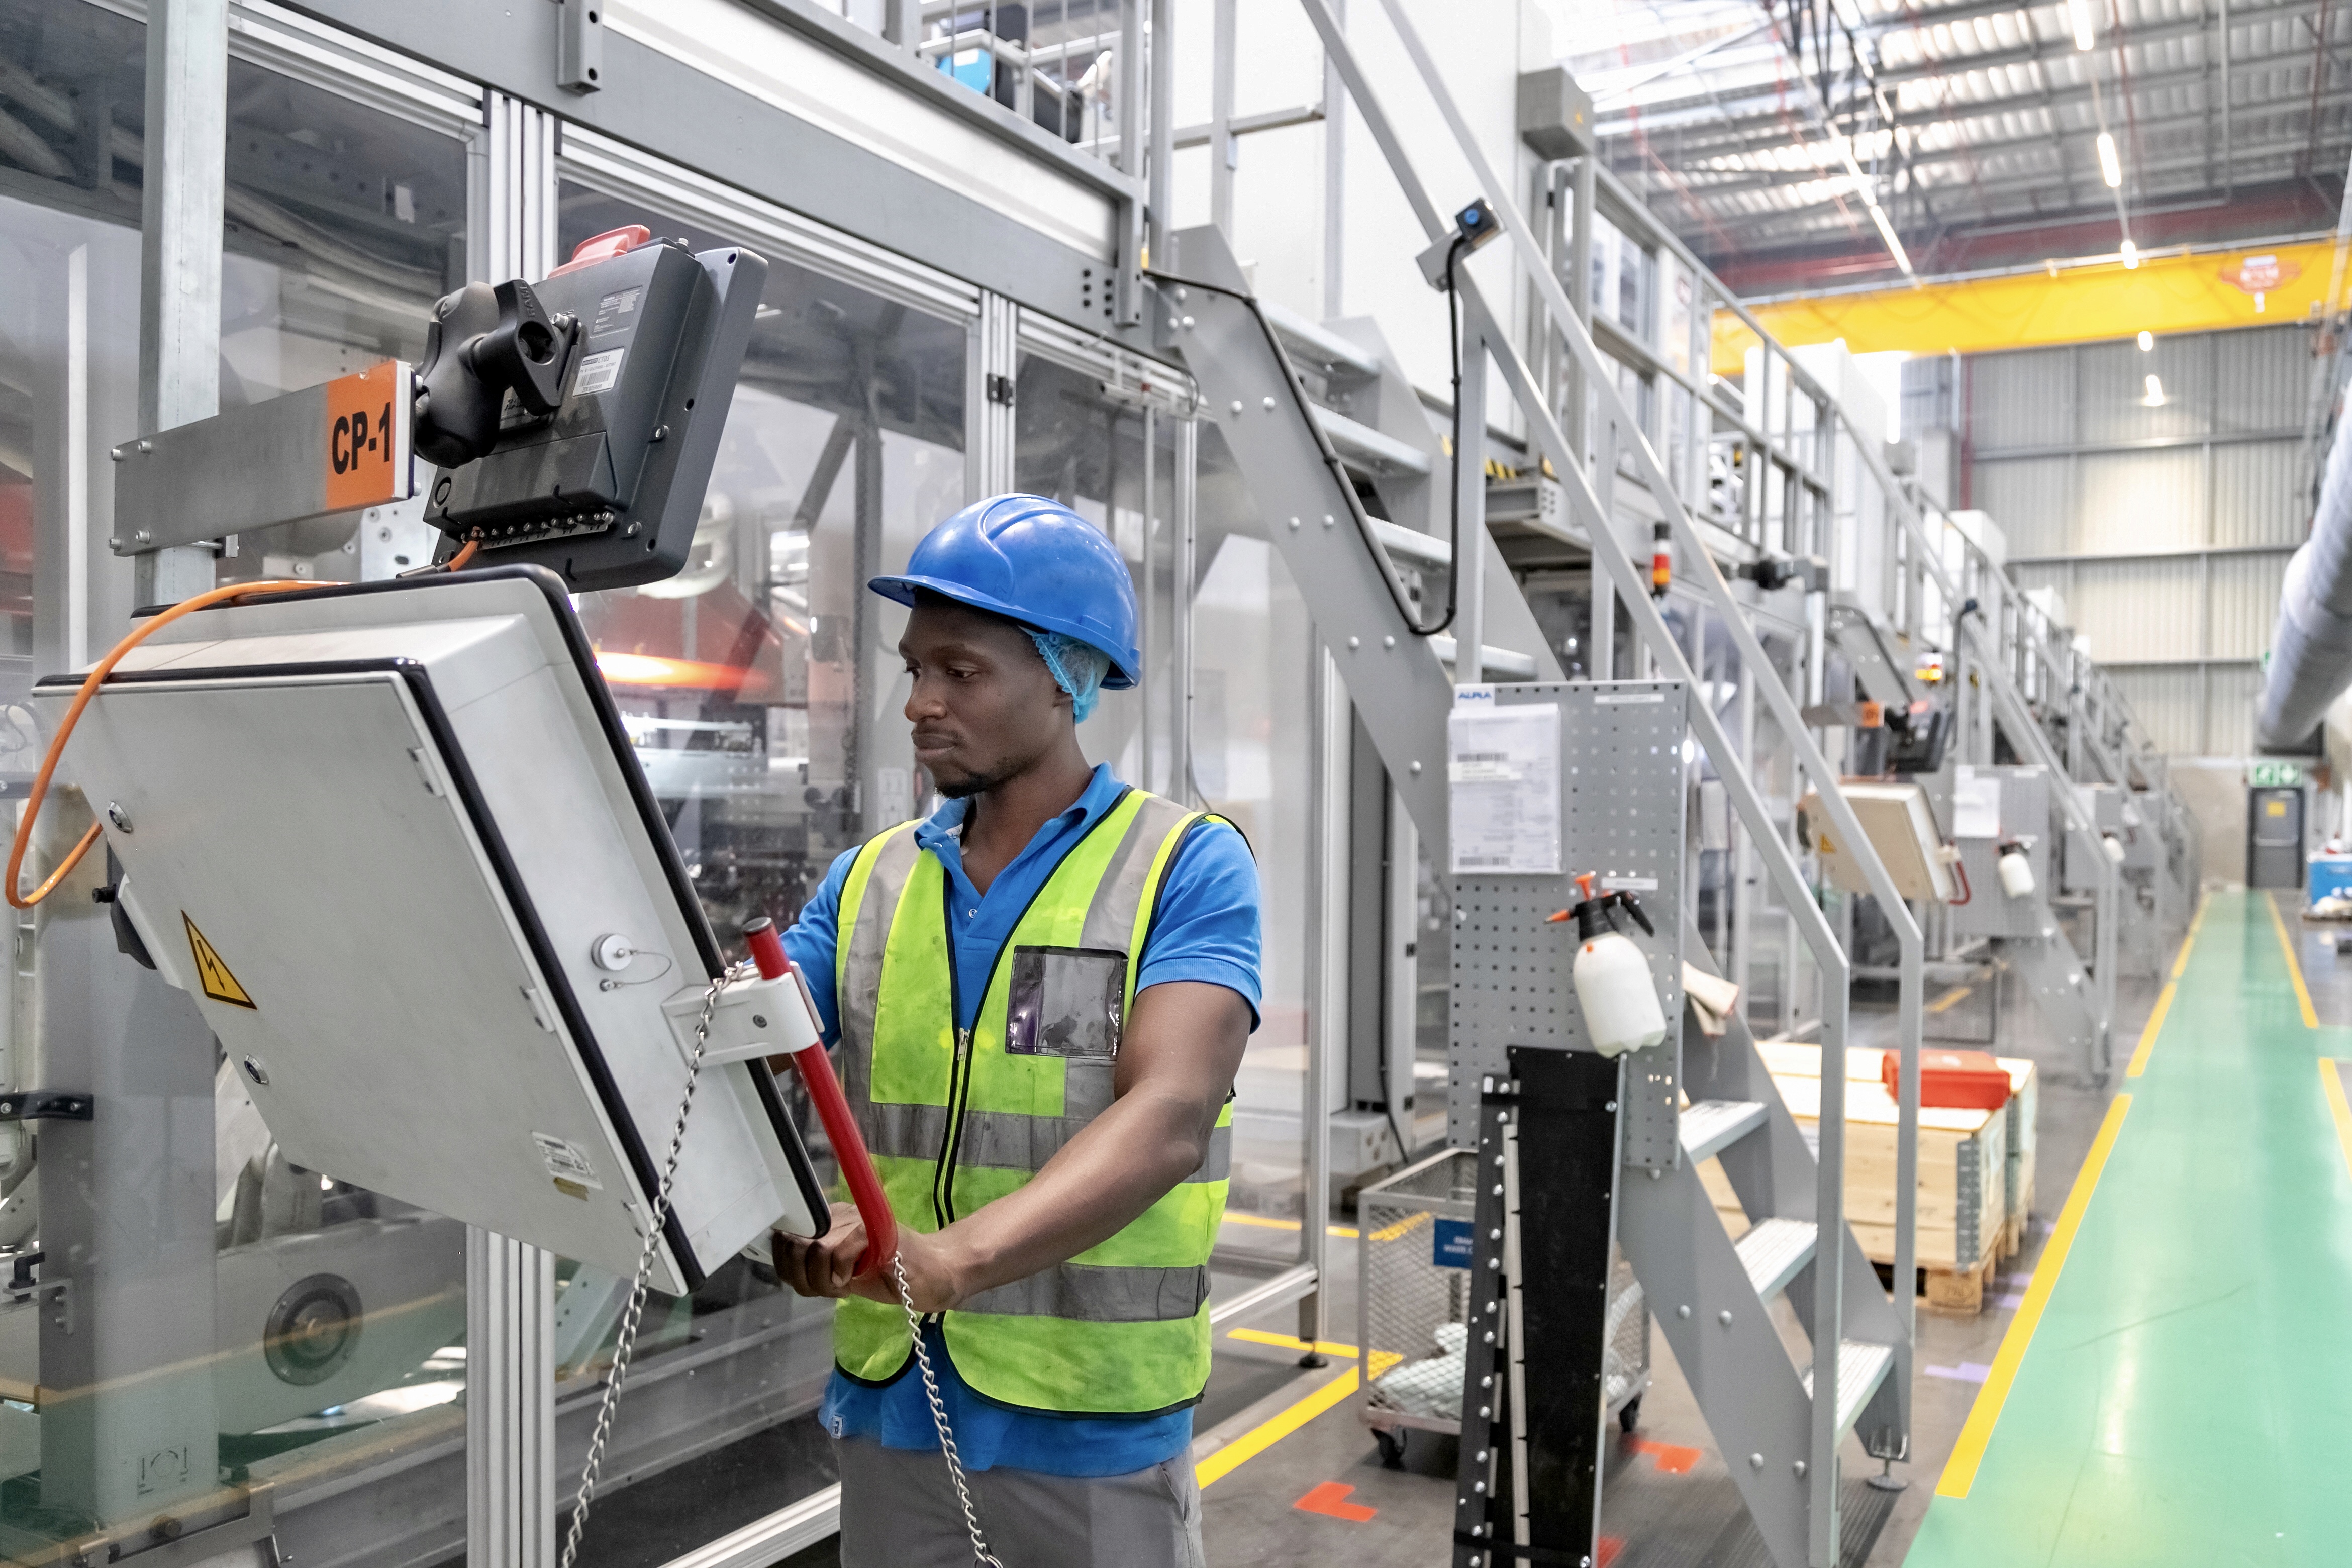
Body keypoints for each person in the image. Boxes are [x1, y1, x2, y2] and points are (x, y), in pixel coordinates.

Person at [772, 493, 1261, 1568]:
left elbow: (1171, 1111)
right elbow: (752, 1049)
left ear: (1067, 674)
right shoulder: (870, 879)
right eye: (915, 671)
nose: (921, 703)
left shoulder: (1185, 864)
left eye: (962, 671)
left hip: (1090, 1425)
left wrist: (957, 1259)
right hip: (894, 1400)